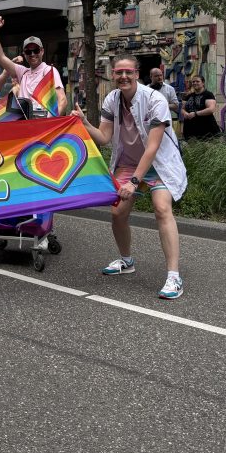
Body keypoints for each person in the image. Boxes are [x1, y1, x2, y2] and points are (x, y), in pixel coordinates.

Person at [73, 54, 187, 300]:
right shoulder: (112, 99)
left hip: (158, 164)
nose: (123, 76)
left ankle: (174, 276)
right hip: (128, 162)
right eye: (118, 72)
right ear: (113, 74)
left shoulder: (155, 100)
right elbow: (104, 138)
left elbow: (152, 147)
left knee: (161, 208)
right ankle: (126, 261)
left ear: (137, 74)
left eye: (128, 72)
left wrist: (135, 181)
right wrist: (84, 123)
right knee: (117, 213)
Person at [0, 17, 67, 117]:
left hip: (42, 122)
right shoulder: (22, 72)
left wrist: (49, 122)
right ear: (24, 54)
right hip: (24, 123)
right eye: (28, 51)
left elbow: (62, 100)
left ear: (42, 51)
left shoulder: (49, 70)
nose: (32, 54)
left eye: (36, 50)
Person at [181, 75, 221, 141]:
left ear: (203, 83)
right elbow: (182, 109)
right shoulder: (188, 96)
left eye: (197, 81)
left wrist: (195, 114)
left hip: (206, 130)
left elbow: (211, 109)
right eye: (193, 81)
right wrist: (185, 113)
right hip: (190, 130)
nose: (195, 83)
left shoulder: (208, 94)